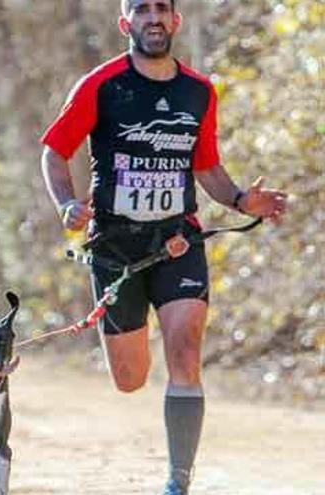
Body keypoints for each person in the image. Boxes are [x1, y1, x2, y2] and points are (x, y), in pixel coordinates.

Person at [39, 1, 287, 493]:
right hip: (114, 248)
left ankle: (178, 480)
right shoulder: (101, 85)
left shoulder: (198, 91)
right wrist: (67, 204)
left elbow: (208, 168)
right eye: (141, 9)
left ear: (175, 21)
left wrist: (240, 200)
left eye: (161, 9)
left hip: (178, 241)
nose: (153, 17)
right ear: (125, 23)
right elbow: (54, 150)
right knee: (130, 378)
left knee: (185, 349)